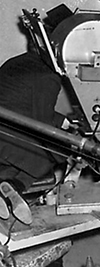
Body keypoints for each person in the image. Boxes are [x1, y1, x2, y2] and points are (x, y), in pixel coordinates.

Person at [0, 50, 68, 196]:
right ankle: (15, 187)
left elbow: (22, 104)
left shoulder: (19, 61)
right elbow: (44, 128)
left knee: (27, 161)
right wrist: (68, 155)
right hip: (5, 138)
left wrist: (64, 121)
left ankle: (7, 184)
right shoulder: (48, 77)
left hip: (5, 128)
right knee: (49, 156)